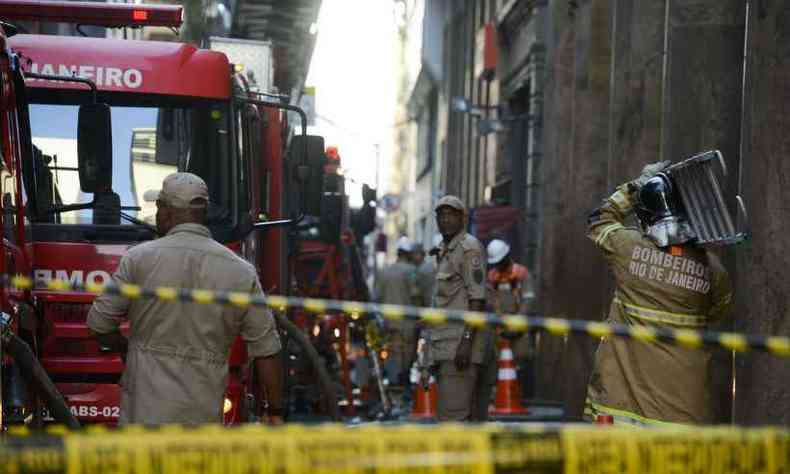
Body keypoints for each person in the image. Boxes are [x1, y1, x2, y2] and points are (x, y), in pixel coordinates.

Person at [87, 172, 284, 425]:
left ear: (165, 211)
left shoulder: (138, 259)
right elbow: (267, 348)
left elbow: (98, 325)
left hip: (144, 419)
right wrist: (275, 410)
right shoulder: (240, 271)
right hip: (202, 420)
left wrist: (126, 348)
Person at [584, 161, 733, 426]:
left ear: (647, 216)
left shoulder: (627, 249)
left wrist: (636, 186)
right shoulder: (713, 269)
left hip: (621, 408)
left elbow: (599, 219)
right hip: (684, 413)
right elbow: (719, 310)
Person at [426, 195, 496, 421]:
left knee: (453, 420)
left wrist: (466, 342)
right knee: (466, 418)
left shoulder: (469, 249)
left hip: (458, 349)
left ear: (462, 219)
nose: (445, 220)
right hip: (445, 345)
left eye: (450, 215)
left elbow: (477, 299)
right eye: (441, 215)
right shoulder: (444, 250)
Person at [486, 238, 535, 398]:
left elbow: (528, 300)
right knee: (498, 361)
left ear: (507, 255)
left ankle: (520, 396)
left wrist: (516, 325)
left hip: (519, 327)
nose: (498, 264)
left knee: (521, 359)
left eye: (500, 260)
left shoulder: (521, 273)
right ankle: (500, 394)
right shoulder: (492, 276)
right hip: (499, 327)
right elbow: (490, 301)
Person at [374, 236, 420, 389]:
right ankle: (403, 382)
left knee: (392, 351)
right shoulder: (412, 271)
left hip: (388, 322)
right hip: (407, 323)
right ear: (407, 254)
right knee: (406, 353)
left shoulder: (383, 272)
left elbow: (376, 297)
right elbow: (415, 296)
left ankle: (393, 383)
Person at [410, 242, 436, 308]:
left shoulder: (426, 269)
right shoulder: (416, 268)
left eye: (416, 253)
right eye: (412, 254)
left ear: (422, 255)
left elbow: (429, 294)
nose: (413, 256)